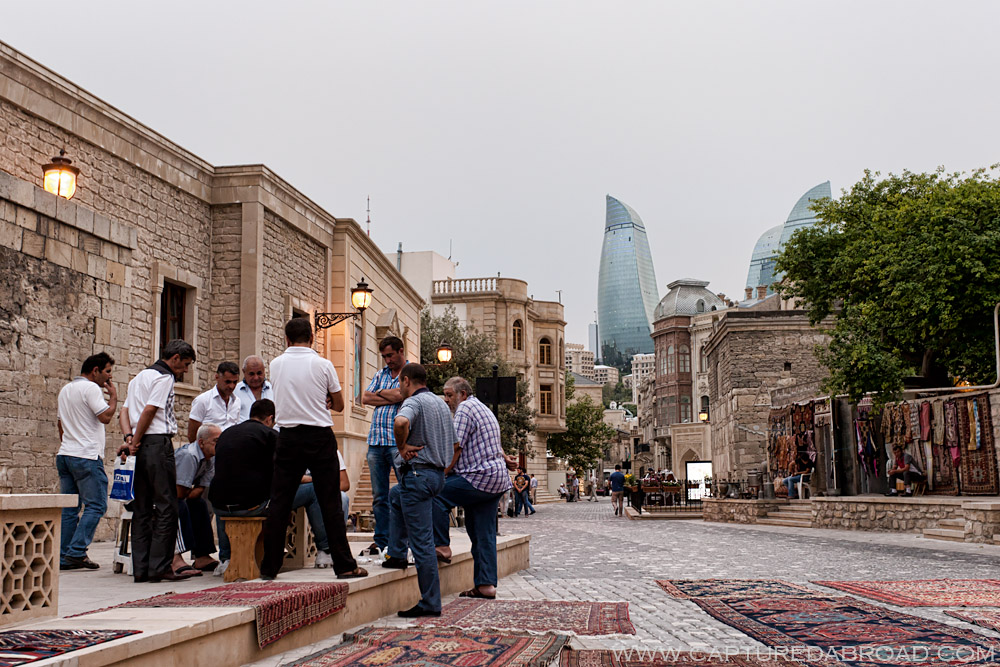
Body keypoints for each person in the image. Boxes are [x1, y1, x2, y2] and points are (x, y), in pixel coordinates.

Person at [260, 318, 366, 580]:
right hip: (318, 436)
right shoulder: (323, 364)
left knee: (280, 502)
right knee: (329, 500)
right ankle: (344, 565)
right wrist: (327, 399)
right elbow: (339, 404)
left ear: (286, 340)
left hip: (287, 436)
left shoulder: (275, 364)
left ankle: (269, 567)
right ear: (312, 337)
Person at [210, 399, 347, 573]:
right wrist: (313, 479)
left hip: (219, 506)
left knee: (229, 497)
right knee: (312, 491)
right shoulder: (270, 435)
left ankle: (226, 558)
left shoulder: (227, 433)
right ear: (270, 419)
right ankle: (324, 551)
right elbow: (285, 476)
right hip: (253, 505)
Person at [118, 339, 196, 583]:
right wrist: (136, 439)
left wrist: (129, 438)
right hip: (155, 443)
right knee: (166, 506)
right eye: (184, 365)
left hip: (139, 445)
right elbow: (150, 410)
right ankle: (160, 566)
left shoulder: (138, 377)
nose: (184, 370)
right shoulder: (164, 378)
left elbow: (124, 411)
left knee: (141, 507)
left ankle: (140, 568)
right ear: (174, 359)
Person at [434, 377, 516, 599]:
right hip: (495, 478)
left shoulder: (465, 408)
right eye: (445, 394)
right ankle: (486, 585)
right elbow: (491, 444)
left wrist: (442, 474)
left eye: (450, 395)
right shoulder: (483, 408)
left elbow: (456, 446)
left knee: (435, 494)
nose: (447, 399)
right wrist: (506, 458)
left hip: (479, 476)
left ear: (462, 394)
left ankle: (441, 545)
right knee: (483, 532)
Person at [383, 363, 454, 618]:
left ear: (405, 381)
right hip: (436, 476)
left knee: (422, 543)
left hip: (417, 475)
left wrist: (401, 448)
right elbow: (455, 445)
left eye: (399, 384)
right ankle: (397, 553)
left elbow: (401, 422)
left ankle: (430, 602)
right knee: (394, 496)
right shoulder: (440, 405)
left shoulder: (413, 403)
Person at [57, 352, 117, 570]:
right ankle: (76, 552)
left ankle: (64, 555)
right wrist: (113, 397)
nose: (109, 378)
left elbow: (60, 425)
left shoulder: (65, 390)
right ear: (95, 371)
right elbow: (106, 417)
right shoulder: (91, 388)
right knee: (97, 504)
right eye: (107, 372)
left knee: (70, 508)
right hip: (86, 456)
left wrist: (70, 443)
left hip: (65, 454)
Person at [360, 336, 407, 556]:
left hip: (397, 443)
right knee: (379, 496)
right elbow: (365, 398)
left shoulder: (409, 374)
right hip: (376, 442)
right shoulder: (380, 374)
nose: (387, 360)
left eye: (390, 355)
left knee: (405, 491)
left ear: (400, 351)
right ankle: (381, 540)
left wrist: (385, 395)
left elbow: (402, 394)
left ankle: (402, 539)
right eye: (384, 356)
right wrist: (390, 397)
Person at [171, 423, 221, 576]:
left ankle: (202, 555)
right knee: (179, 506)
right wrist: (189, 492)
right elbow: (179, 493)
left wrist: (190, 491)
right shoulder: (188, 455)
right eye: (216, 442)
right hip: (160, 496)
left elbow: (199, 490)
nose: (219, 446)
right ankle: (174, 558)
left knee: (199, 504)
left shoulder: (210, 459)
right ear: (201, 442)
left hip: (182, 494)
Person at [187, 361, 241, 442]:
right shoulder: (203, 400)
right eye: (228, 382)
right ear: (217, 377)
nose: (231, 386)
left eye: (235, 382)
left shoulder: (237, 402)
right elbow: (192, 433)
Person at [235, 355, 273, 423]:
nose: (256, 378)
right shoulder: (235, 392)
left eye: (259, 373)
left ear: (264, 370)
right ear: (244, 372)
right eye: (251, 374)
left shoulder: (273, 389)